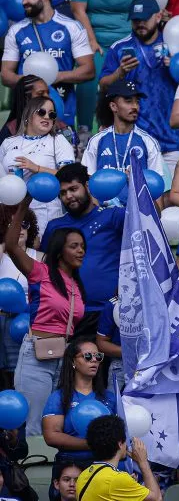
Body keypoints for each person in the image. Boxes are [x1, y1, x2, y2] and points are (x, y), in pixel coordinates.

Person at [7, 194, 84, 438]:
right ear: (59, 250)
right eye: (74, 246)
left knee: (56, 425)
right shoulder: (39, 271)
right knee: (33, 427)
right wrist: (23, 207)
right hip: (37, 356)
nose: (81, 250)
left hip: (64, 360)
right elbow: (10, 246)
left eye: (83, 246)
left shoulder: (75, 283)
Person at [70, 0, 146, 129]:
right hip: (94, 38)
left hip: (126, 40)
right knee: (88, 75)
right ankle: (84, 132)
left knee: (135, 82)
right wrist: (92, 41)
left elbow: (142, 9)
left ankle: (134, 130)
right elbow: (78, 10)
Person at [0, 0, 94, 126]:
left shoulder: (72, 27)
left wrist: (57, 76)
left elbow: (89, 70)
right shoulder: (16, 30)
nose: (24, 2)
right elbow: (5, 75)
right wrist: (33, 83)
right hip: (27, 114)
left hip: (63, 111)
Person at [44, 163, 124, 336]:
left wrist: (135, 186)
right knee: (74, 363)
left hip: (111, 311)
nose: (69, 196)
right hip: (70, 312)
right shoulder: (54, 227)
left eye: (73, 189)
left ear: (87, 186)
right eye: (63, 193)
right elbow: (46, 267)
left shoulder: (113, 216)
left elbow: (150, 218)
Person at [42, 338, 115, 497]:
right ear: (73, 361)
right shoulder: (59, 397)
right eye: (88, 356)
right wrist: (91, 444)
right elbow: (51, 436)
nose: (94, 360)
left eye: (98, 357)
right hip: (68, 467)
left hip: (103, 466)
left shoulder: (110, 398)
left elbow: (119, 437)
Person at [0, 96, 76, 233]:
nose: (47, 117)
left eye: (52, 114)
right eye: (42, 112)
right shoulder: (8, 143)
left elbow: (70, 175)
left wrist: (37, 168)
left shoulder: (57, 140)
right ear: (28, 114)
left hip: (45, 210)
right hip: (11, 209)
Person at [81, 80, 163, 189]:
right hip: (104, 205)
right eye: (128, 101)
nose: (135, 106)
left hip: (138, 206)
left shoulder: (148, 142)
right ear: (113, 106)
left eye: (137, 101)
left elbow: (156, 186)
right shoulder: (97, 141)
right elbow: (88, 182)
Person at [0, 205, 41, 389]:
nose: (19, 229)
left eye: (23, 224)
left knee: (23, 370)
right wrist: (4, 243)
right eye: (10, 225)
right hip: (1, 318)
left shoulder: (40, 256)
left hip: (28, 320)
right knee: (4, 375)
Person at [76, 415, 161, 501]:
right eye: (125, 441)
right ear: (120, 444)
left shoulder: (83, 475)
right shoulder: (116, 479)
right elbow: (157, 498)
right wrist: (143, 462)